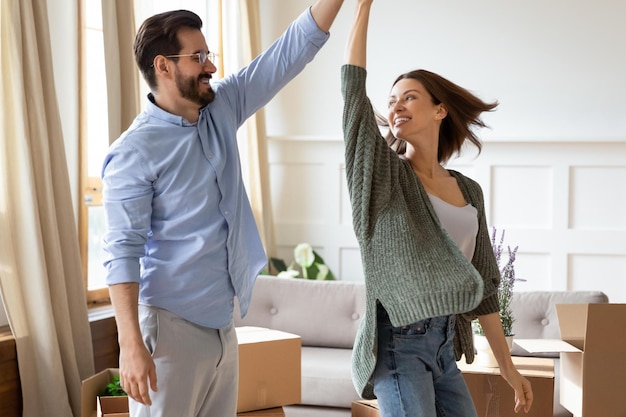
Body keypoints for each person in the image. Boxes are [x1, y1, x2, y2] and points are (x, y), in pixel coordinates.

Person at [101, 2, 344, 416]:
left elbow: (288, 53)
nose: (210, 66)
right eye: (198, 58)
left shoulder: (221, 107)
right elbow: (122, 252)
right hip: (171, 332)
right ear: (163, 66)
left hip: (223, 328)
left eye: (208, 55)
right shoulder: (133, 152)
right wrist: (130, 346)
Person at [341, 1, 534, 416]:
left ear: (439, 110)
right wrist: (362, 8)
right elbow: (353, 98)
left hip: (446, 345)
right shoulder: (384, 179)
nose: (396, 107)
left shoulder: (469, 190)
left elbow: (484, 288)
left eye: (409, 97)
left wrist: (508, 368)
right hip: (398, 345)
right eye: (392, 101)